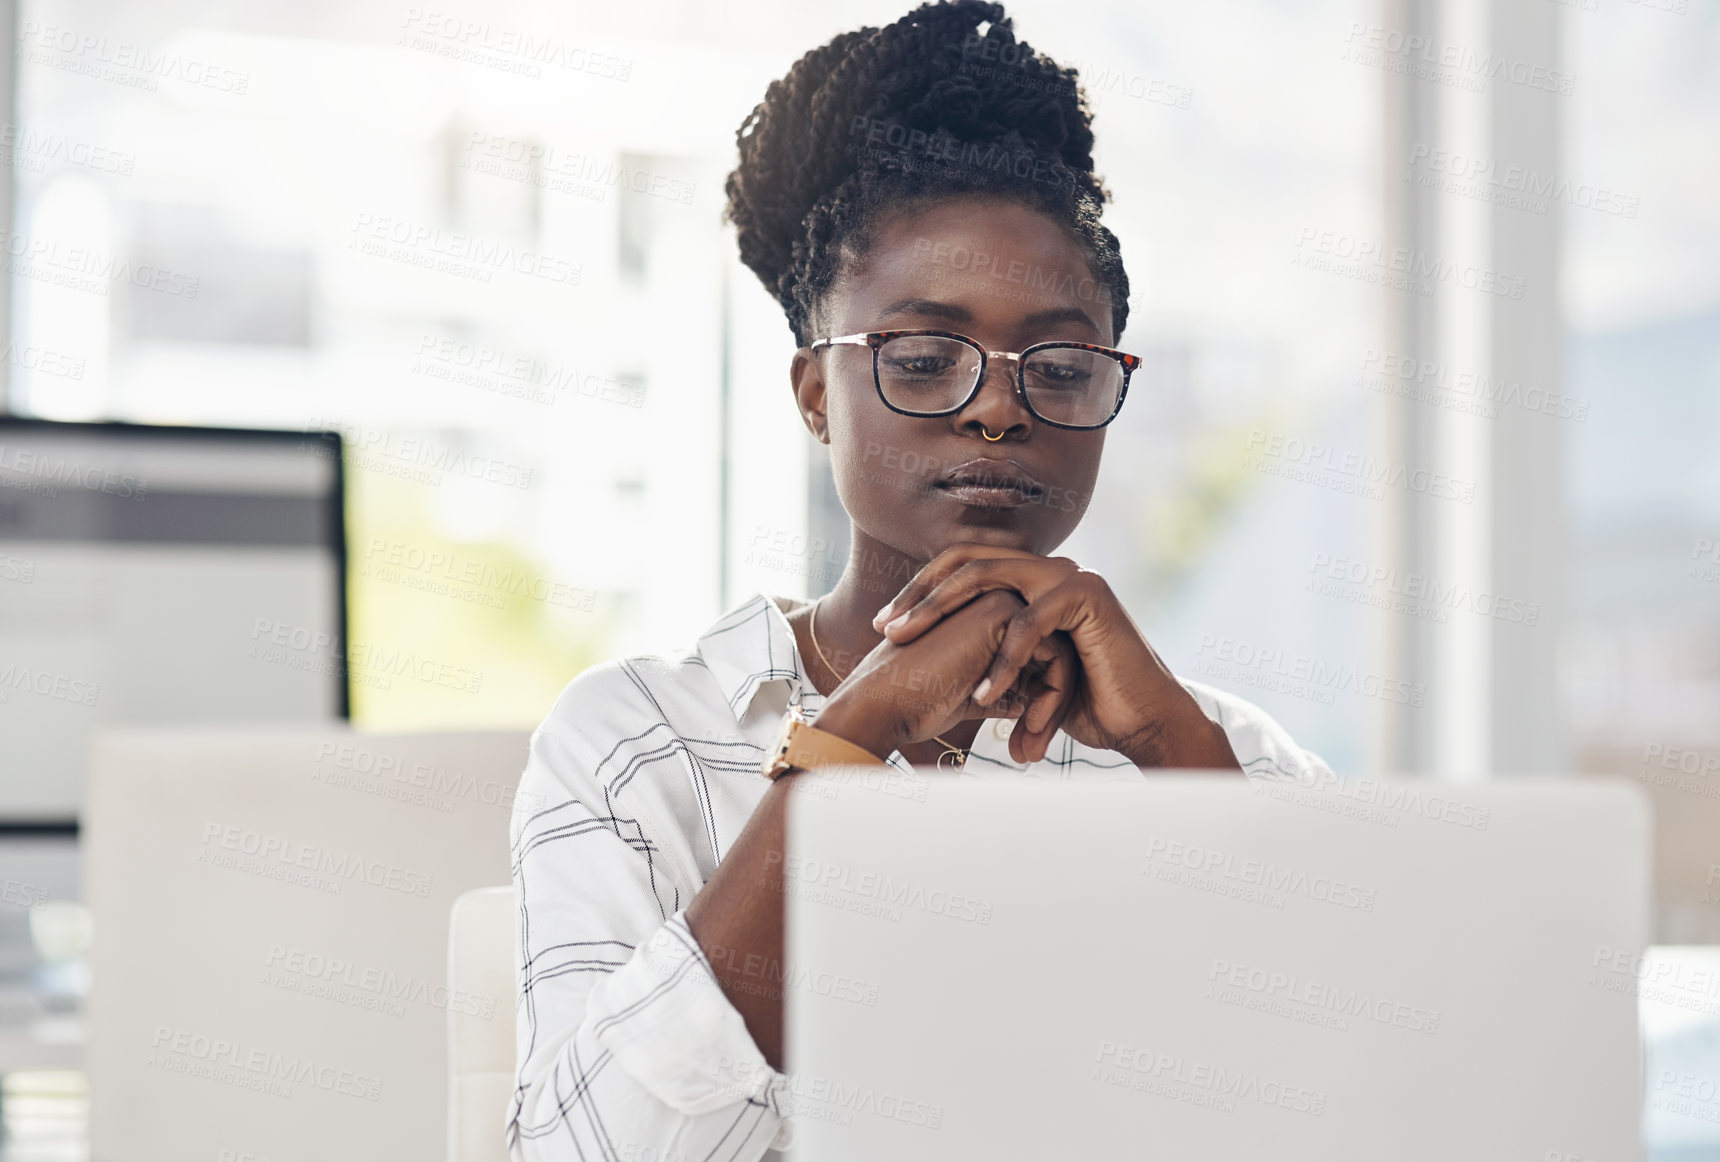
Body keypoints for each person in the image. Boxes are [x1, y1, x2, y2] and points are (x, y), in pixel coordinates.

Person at [506, 2, 1334, 1158]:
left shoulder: (1226, 757)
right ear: (813, 395)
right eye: (927, 356)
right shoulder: (644, 741)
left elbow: (1365, 1101)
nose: (998, 406)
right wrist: (861, 728)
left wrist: (1177, 758)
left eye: (1057, 363)